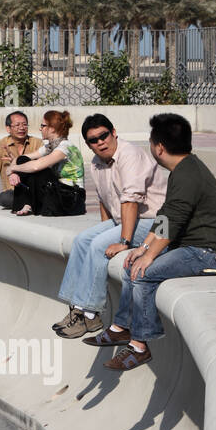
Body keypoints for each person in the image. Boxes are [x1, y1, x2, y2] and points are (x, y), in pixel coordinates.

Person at [84, 113, 216, 371]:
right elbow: (166, 215)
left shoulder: (187, 174)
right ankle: (121, 328)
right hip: (194, 248)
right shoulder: (184, 169)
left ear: (160, 148)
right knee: (133, 266)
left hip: (209, 253)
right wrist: (143, 247)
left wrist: (150, 255)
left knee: (144, 273)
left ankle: (139, 346)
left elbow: (172, 222)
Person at [52, 114, 170, 339]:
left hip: (155, 222)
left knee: (98, 246)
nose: (100, 142)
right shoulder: (97, 162)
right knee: (82, 240)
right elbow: (104, 200)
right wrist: (107, 229)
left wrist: (123, 242)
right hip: (125, 220)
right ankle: (75, 307)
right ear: (88, 144)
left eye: (104, 136)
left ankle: (91, 314)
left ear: (113, 132)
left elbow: (130, 200)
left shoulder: (130, 155)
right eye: (93, 140)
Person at [6, 110, 85, 216]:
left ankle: (27, 204)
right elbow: (22, 158)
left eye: (43, 126)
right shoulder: (49, 147)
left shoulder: (65, 147)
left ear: (52, 128)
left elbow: (36, 167)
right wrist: (13, 172)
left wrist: (13, 168)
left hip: (72, 198)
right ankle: (25, 204)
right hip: (59, 192)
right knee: (23, 161)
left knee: (41, 170)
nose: (40, 129)